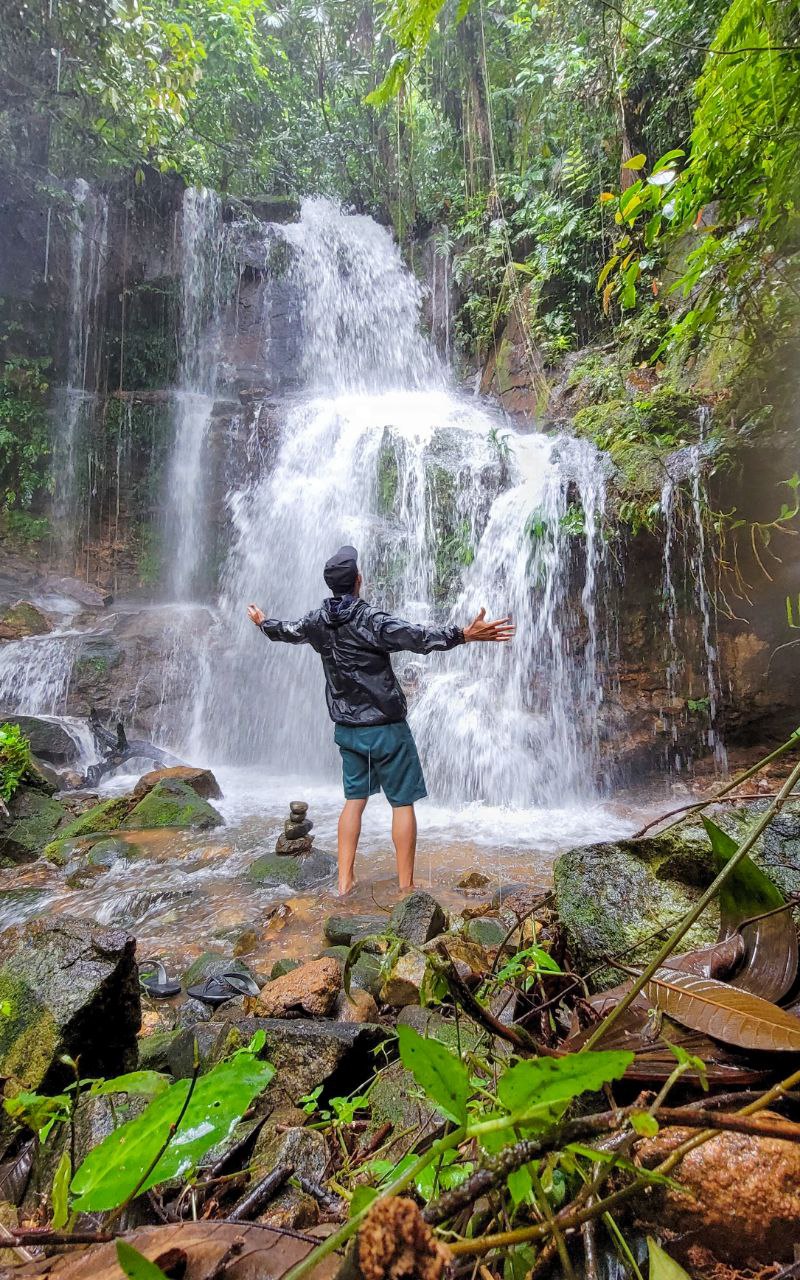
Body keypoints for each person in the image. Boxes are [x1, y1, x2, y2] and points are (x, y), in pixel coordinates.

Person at [247, 545, 514, 895]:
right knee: (401, 803)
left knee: (354, 801)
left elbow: (289, 630)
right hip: (387, 729)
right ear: (359, 581)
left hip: (347, 730)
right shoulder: (371, 620)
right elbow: (417, 637)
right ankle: (406, 885)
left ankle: (344, 881)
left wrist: (264, 623)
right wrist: (464, 634)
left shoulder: (317, 621)